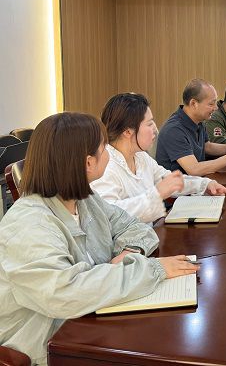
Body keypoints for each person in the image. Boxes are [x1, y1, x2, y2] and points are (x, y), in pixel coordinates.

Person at [0, 112, 199, 365]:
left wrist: (129, 253)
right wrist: (152, 270)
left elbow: (136, 227)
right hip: (44, 343)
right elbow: (65, 293)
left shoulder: (85, 199)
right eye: (104, 147)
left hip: (88, 320)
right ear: (88, 163)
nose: (109, 153)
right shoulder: (29, 223)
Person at [92, 93, 226, 224]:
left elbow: (167, 179)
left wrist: (205, 185)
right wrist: (157, 194)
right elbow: (109, 216)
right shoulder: (105, 166)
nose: (155, 129)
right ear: (128, 131)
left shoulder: (140, 156)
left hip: (147, 235)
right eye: (149, 123)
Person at [156, 79, 226, 176]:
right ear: (194, 103)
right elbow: (194, 169)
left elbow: (207, 146)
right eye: (211, 104)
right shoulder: (174, 130)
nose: (216, 108)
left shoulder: (198, 120)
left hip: (197, 181)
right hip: (178, 184)